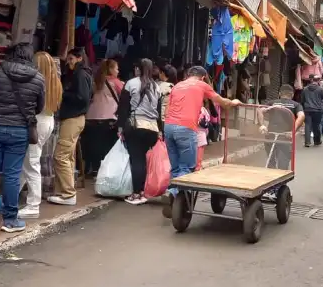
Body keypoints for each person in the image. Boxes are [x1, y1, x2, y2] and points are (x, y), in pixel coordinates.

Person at [0, 42, 45, 232]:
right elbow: (39, 107)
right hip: (19, 130)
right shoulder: (38, 79)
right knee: (12, 175)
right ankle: (10, 220)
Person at [162, 66, 241, 218]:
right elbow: (221, 101)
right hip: (186, 128)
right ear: (203, 77)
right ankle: (172, 192)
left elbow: (167, 110)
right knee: (187, 167)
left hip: (169, 127)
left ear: (188, 74)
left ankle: (174, 196)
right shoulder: (202, 85)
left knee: (176, 166)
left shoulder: (177, 85)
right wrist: (233, 102)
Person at [19, 51, 62, 219]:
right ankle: (11, 195)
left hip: (37, 122)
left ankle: (33, 205)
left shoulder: (36, 81)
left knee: (31, 163)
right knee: (28, 160)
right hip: (48, 120)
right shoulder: (55, 82)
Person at [49, 47, 92, 206]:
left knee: (60, 155)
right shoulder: (82, 74)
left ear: (79, 58)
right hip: (76, 118)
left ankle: (68, 194)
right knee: (68, 156)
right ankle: (63, 192)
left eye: (71, 59)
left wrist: (62, 93)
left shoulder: (80, 75)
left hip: (73, 118)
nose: (69, 62)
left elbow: (82, 97)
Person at [121, 58, 161, 206]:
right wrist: (160, 131)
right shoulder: (156, 87)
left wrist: (120, 127)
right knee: (142, 160)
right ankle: (143, 191)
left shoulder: (131, 83)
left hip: (136, 126)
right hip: (152, 129)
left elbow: (123, 108)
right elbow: (159, 110)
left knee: (136, 159)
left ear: (138, 69)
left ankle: (137, 193)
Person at [82, 58, 123, 178]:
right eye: (116, 68)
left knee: (93, 144)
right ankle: (104, 171)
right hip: (109, 118)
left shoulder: (95, 81)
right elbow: (125, 95)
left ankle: (93, 169)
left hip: (91, 117)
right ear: (110, 69)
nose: (118, 70)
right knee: (107, 146)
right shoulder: (116, 82)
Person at [260, 84, 304, 171]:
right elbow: (301, 116)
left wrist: (262, 125)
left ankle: (271, 180)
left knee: (270, 161)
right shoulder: (296, 105)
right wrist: (293, 131)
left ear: (279, 94)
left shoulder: (273, 103)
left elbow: (260, 110)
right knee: (283, 164)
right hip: (286, 137)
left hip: (270, 135)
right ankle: (280, 182)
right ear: (292, 95)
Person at [300, 75, 323, 147]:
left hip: (307, 109)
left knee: (307, 125)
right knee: (316, 125)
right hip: (317, 110)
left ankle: (307, 142)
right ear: (318, 80)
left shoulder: (305, 89)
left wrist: (303, 107)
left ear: (312, 80)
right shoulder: (320, 89)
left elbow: (302, 99)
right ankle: (317, 141)